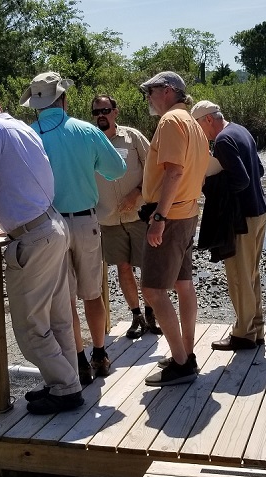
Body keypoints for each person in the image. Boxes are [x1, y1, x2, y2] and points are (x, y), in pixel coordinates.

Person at [0, 86, 82, 415]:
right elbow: (24, 181)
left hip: (36, 237)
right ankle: (64, 382)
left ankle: (66, 387)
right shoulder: (22, 127)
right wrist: (12, 227)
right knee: (58, 317)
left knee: (30, 327)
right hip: (52, 225)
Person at [21, 72, 126, 385]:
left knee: (64, 299)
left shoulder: (29, 136)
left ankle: (78, 359)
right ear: (63, 99)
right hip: (85, 221)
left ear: (36, 105)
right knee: (93, 293)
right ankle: (100, 353)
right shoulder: (86, 130)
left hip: (49, 226)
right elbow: (117, 169)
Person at [138, 71, 211, 386]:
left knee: (153, 290)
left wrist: (158, 218)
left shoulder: (170, 121)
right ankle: (186, 353)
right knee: (183, 283)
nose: (149, 98)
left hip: (170, 217)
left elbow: (174, 172)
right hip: (188, 213)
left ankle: (181, 363)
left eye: (150, 92)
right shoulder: (193, 123)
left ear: (167, 91)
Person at [191, 100, 266, 351]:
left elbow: (241, 180)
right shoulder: (241, 130)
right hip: (259, 211)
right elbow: (259, 170)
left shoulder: (223, 140)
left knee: (239, 277)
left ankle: (243, 334)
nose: (200, 134)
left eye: (198, 127)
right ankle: (256, 329)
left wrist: (208, 182)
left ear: (208, 120)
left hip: (241, 219)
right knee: (251, 275)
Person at [90, 94, 160, 339]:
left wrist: (138, 192)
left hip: (138, 215)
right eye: (96, 112)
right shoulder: (90, 140)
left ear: (115, 112)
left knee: (147, 267)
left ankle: (152, 313)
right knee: (123, 267)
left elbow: (154, 168)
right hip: (108, 219)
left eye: (105, 110)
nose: (101, 115)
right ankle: (136, 316)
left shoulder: (133, 137)